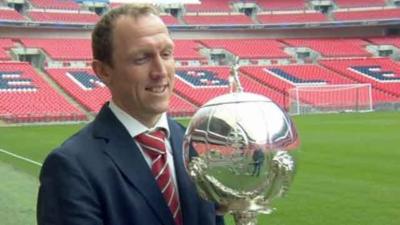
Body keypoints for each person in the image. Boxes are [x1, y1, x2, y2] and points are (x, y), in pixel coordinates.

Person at [36, 4, 224, 225]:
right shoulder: (70, 167)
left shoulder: (193, 148)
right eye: (141, 58)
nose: (161, 71)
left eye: (166, 54)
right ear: (104, 71)